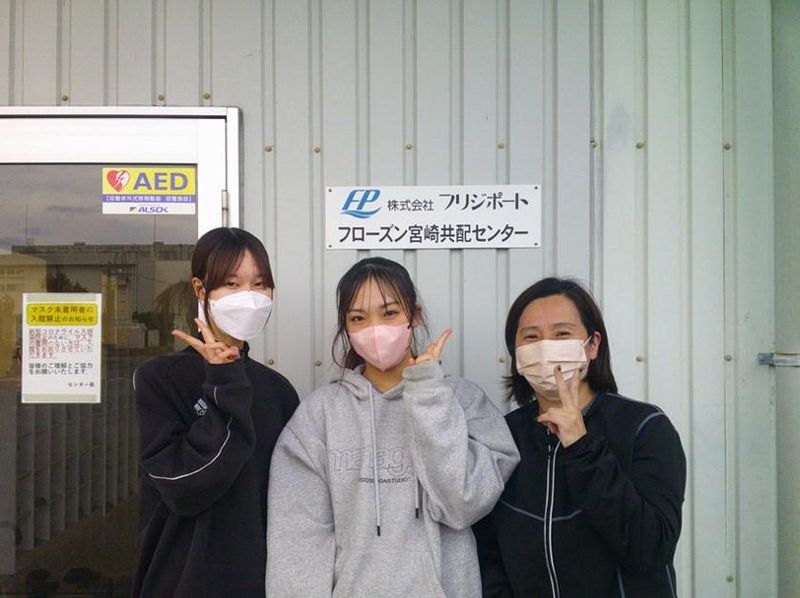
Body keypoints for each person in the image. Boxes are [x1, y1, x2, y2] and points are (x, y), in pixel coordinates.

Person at [266, 257, 519, 597]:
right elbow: (298, 541)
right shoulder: (318, 416)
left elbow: (463, 505)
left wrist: (428, 396)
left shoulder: (463, 401)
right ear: (346, 328)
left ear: (414, 316)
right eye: (358, 318)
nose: (375, 329)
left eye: (389, 313)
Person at [473, 277, 686, 597]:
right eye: (531, 337)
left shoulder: (644, 427)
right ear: (516, 355)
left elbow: (650, 549)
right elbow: (488, 551)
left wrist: (580, 444)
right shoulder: (504, 436)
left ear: (592, 345)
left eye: (562, 334)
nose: (545, 347)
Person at [131, 227, 299, 597]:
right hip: (181, 580)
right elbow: (185, 488)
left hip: (259, 581)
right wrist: (224, 381)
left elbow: (292, 503)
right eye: (231, 284)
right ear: (200, 289)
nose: (249, 297)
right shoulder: (161, 379)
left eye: (260, 284)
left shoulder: (278, 391)